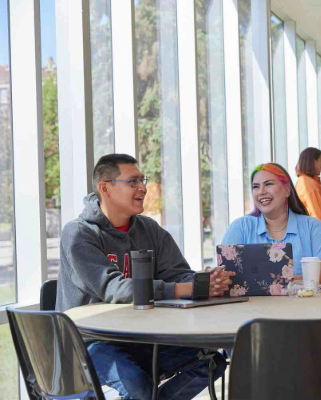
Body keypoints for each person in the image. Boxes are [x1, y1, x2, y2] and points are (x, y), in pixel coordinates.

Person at [56, 154, 232, 400]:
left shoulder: (148, 229)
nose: (143, 188)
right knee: (139, 388)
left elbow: (177, 273)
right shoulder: (79, 234)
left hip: (140, 337)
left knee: (211, 360)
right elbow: (114, 289)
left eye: (143, 180)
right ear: (105, 187)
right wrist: (182, 289)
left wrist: (204, 281)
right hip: (89, 341)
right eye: (133, 182)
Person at [222, 163, 321, 288]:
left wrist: (276, 280)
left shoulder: (312, 227)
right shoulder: (241, 227)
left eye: (268, 184)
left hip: (303, 306)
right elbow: (223, 277)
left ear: (287, 190)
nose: (261, 192)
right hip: (252, 307)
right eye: (256, 187)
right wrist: (294, 280)